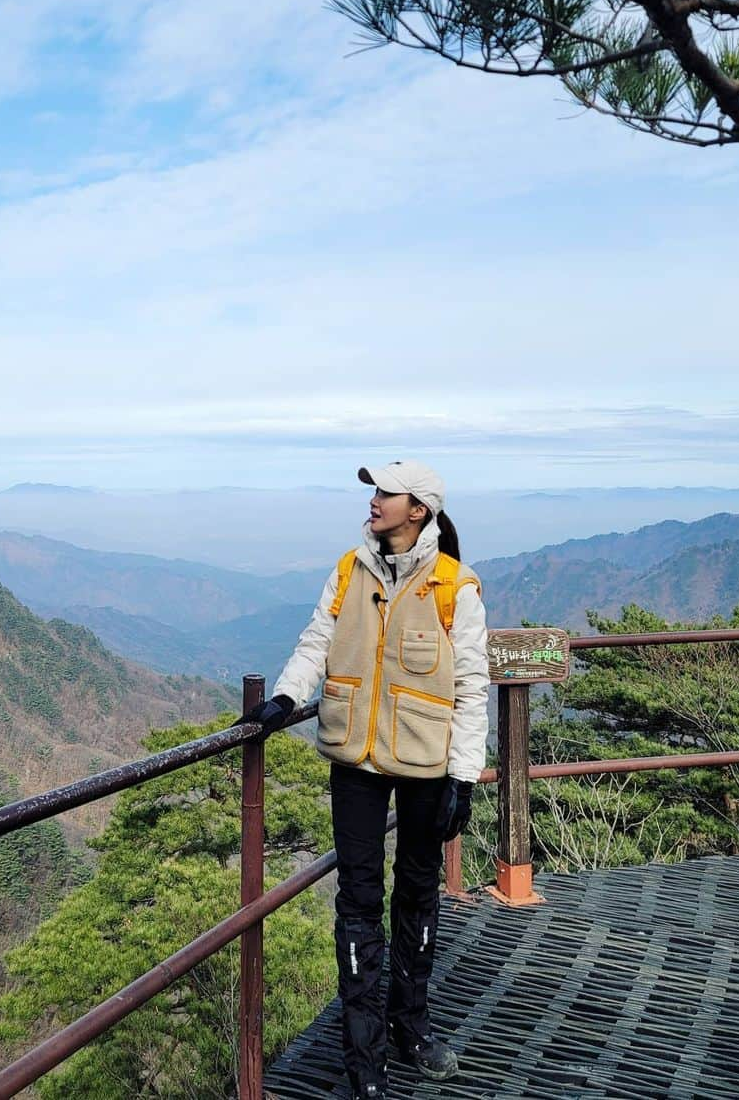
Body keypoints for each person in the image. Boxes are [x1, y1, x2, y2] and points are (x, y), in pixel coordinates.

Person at [244, 461, 489, 1100]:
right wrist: (285, 697)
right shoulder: (349, 570)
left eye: (386, 493)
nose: (374, 502)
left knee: (417, 891)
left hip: (426, 764)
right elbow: (317, 640)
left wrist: (463, 777)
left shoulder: (453, 586)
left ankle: (412, 1026)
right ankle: (364, 1059)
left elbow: (471, 685)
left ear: (420, 510)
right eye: (375, 491)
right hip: (354, 758)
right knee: (358, 901)